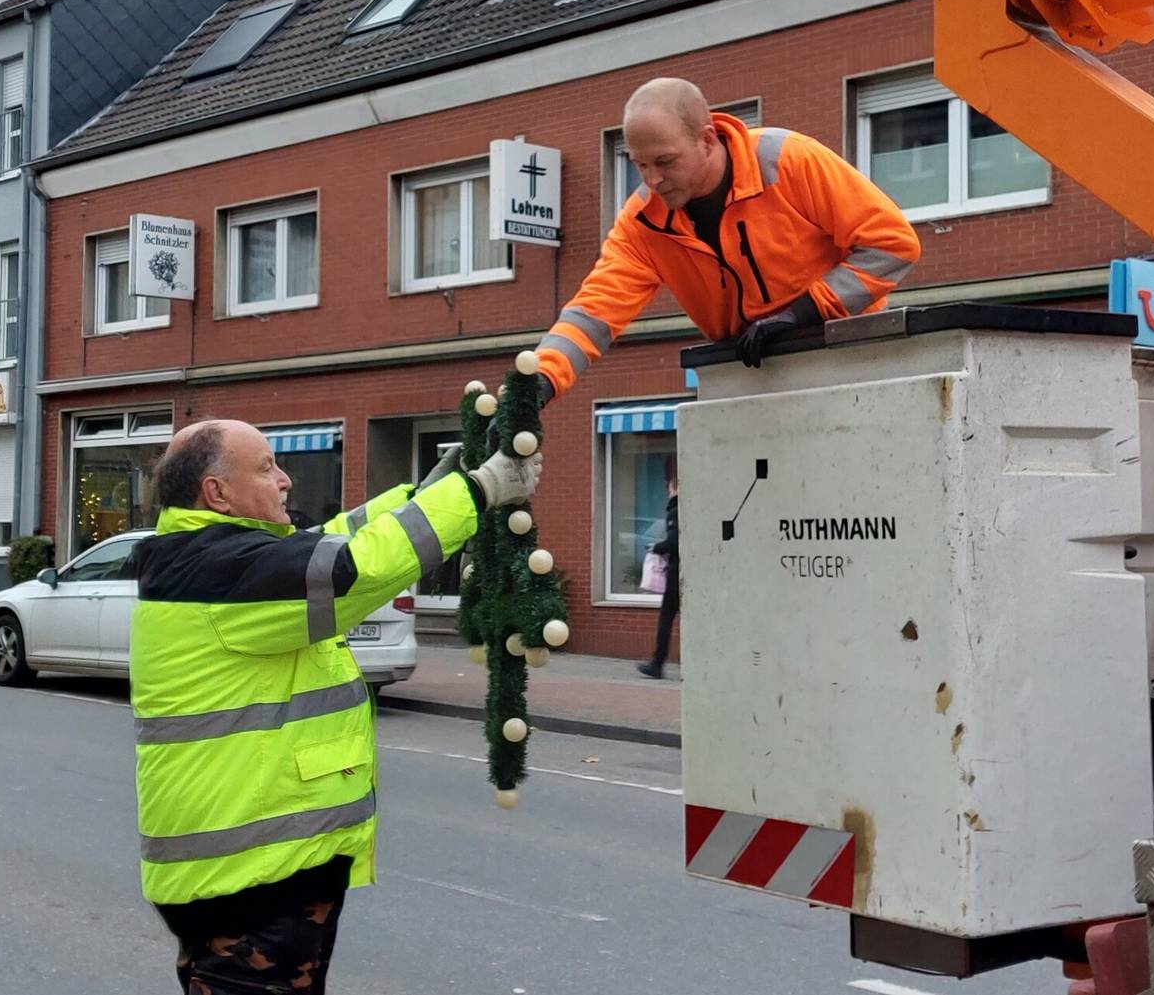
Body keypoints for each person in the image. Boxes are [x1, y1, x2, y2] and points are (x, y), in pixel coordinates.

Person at [131, 418, 541, 993]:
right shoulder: (222, 571)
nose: (285, 479)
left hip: (252, 878)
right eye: (266, 467)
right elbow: (354, 568)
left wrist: (427, 492)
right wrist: (478, 491)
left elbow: (337, 534)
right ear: (216, 492)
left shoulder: (216, 557)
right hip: (251, 888)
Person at [535, 77, 922, 401]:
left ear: (706, 140)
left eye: (665, 162)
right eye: (640, 165)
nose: (652, 180)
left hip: (853, 361)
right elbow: (593, 312)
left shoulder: (789, 161)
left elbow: (892, 243)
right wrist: (538, 382)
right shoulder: (643, 222)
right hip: (749, 379)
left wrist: (803, 311)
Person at [639, 463, 681, 679]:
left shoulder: (676, 509)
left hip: (678, 574)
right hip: (691, 571)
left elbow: (675, 542)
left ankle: (657, 663)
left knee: (667, 617)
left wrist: (657, 547)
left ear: (675, 489)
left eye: (670, 489)